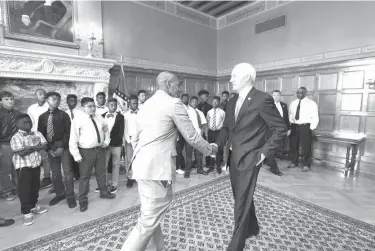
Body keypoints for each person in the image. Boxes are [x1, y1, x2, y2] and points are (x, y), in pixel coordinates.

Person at [121, 71, 216, 251]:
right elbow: (192, 137)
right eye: (177, 84)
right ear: (167, 84)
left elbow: (135, 138)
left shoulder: (145, 104)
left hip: (142, 166)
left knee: (150, 214)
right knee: (147, 221)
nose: (180, 89)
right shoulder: (173, 103)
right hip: (157, 169)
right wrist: (211, 149)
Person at [214, 63, 286, 251]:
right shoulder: (231, 101)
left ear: (246, 77)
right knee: (241, 194)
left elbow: (280, 128)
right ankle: (252, 227)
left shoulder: (262, 100)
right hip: (233, 157)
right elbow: (226, 128)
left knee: (242, 200)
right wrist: (215, 146)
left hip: (251, 157)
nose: (230, 80)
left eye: (233, 76)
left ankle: (236, 244)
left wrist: (263, 153)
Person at [69, 97, 116, 212]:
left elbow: (106, 130)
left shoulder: (99, 117)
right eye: (89, 106)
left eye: (93, 106)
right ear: (83, 108)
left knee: (101, 173)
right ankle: (83, 200)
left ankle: (104, 192)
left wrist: (106, 141)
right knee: (84, 177)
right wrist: (76, 155)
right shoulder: (78, 120)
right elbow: (73, 138)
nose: (93, 108)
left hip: (100, 150)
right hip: (86, 152)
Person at [38, 92, 75, 208]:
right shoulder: (42, 117)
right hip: (50, 146)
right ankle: (60, 193)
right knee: (55, 172)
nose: (57, 101)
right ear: (47, 100)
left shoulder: (64, 115)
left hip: (63, 146)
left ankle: (70, 195)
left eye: (58, 99)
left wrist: (61, 147)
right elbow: (41, 134)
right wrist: (48, 149)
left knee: (68, 172)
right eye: (54, 99)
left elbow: (68, 133)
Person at [10, 113, 48, 226]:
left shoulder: (37, 133)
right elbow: (21, 153)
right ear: (17, 124)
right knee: (25, 189)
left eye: (29, 122)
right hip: (24, 166)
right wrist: (36, 147)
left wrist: (30, 148)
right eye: (24, 123)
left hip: (35, 164)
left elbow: (45, 146)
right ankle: (26, 211)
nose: (28, 124)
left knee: (35, 186)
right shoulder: (16, 137)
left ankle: (33, 206)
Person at [288, 87, 319, 172]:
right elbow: (290, 115)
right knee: (293, 145)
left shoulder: (311, 103)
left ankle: (306, 164)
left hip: (305, 127)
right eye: (298, 93)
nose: (299, 94)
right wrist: (291, 124)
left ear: (305, 93)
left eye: (301, 93)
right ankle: (294, 162)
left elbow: (315, 117)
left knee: (306, 146)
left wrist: (311, 128)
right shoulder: (293, 103)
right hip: (294, 126)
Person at [27, 88, 52, 190]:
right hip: (36, 135)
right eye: (40, 94)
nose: (43, 95)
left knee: (47, 158)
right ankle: (35, 179)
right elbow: (29, 122)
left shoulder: (49, 107)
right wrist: (32, 136)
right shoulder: (31, 108)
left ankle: (47, 177)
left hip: (48, 134)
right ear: (36, 96)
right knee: (37, 156)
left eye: (44, 94)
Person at [264, 90, 291, 176]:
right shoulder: (268, 106)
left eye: (277, 95)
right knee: (270, 148)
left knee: (274, 148)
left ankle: (267, 161)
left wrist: (288, 128)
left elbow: (286, 118)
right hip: (269, 130)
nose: (276, 97)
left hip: (280, 130)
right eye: (274, 95)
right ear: (272, 96)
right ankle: (274, 168)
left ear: (280, 96)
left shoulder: (284, 105)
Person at [0, 91, 20, 202]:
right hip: (5, 145)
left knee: (16, 167)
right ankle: (6, 191)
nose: (10, 101)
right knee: (5, 169)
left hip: (17, 144)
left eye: (11, 99)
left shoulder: (17, 114)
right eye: (6, 99)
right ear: (0, 101)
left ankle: (16, 188)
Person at [102, 98, 124, 194]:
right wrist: (104, 142)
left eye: (115, 105)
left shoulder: (121, 117)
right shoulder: (102, 116)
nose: (113, 107)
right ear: (107, 105)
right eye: (111, 105)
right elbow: (100, 131)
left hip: (116, 144)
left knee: (116, 164)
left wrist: (110, 142)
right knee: (104, 165)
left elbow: (120, 132)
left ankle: (114, 184)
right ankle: (105, 184)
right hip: (104, 145)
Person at [184, 96, 209, 178]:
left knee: (199, 155)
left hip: (198, 136)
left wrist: (201, 136)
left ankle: (200, 169)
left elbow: (203, 125)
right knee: (188, 155)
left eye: (196, 101)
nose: (194, 103)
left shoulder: (200, 113)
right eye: (193, 101)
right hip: (190, 136)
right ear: (190, 102)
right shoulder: (186, 112)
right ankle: (187, 171)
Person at [206, 96, 225, 173]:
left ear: (219, 102)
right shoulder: (209, 112)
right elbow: (207, 123)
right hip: (211, 132)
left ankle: (218, 166)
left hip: (219, 132)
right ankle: (211, 166)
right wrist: (207, 134)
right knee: (211, 149)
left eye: (216, 102)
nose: (214, 103)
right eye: (213, 102)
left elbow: (224, 124)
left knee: (219, 150)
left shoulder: (222, 112)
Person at [123, 95, 139, 188]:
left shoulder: (141, 113)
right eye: (133, 103)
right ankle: (130, 178)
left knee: (139, 159)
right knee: (130, 159)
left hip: (140, 140)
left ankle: (138, 176)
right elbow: (124, 129)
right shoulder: (126, 115)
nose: (135, 105)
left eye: (136, 103)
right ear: (129, 104)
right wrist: (128, 140)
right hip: (129, 139)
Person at [65, 94, 81, 180]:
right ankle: (75, 175)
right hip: (70, 137)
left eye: (75, 101)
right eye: (71, 101)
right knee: (72, 156)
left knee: (80, 156)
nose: (73, 103)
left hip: (79, 137)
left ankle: (81, 174)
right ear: (67, 102)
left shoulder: (80, 112)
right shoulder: (65, 113)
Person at [176, 94, 189, 175]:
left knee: (187, 150)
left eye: (186, 98)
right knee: (178, 150)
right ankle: (178, 167)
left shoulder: (190, 109)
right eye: (183, 98)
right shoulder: (178, 109)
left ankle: (184, 165)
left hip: (188, 132)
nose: (185, 100)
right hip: (180, 132)